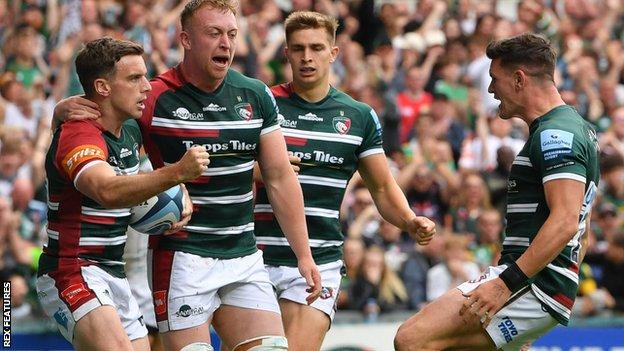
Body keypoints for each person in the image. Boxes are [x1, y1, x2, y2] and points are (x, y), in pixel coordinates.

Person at [54, 1, 321, 350]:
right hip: (182, 255)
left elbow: (279, 177)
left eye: (231, 34)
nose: (225, 43)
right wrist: (60, 111)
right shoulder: (153, 97)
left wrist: (303, 254)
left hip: (242, 252)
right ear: (186, 39)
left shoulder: (256, 95)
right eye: (214, 33)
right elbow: (105, 110)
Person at [394, 33, 600, 350]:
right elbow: (581, 232)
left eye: (495, 79)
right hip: (540, 284)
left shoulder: (556, 134)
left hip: (533, 283)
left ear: (519, 79)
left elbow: (566, 222)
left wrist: (507, 286)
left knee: (412, 339)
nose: (490, 90)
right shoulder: (576, 127)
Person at [253, 11, 436, 351]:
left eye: (316, 48)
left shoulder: (358, 116)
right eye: (298, 48)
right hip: (252, 257)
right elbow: (226, 167)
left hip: (318, 259)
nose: (307, 57)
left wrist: (409, 220)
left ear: (333, 53)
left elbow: (381, 186)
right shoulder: (261, 103)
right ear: (287, 54)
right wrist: (257, 170)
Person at [36, 37, 209, 351]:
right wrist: (176, 174)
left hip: (114, 272)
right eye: (134, 78)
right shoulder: (78, 134)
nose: (146, 86)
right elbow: (105, 190)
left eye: (145, 76)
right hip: (72, 270)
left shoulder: (130, 128)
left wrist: (175, 193)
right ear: (102, 87)